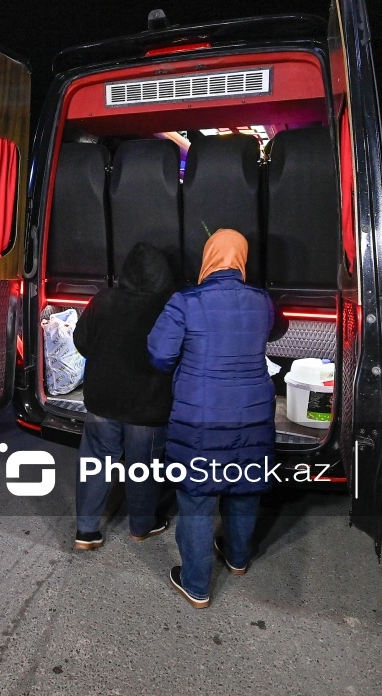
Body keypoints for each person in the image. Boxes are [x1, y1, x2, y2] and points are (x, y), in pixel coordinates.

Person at [147, 229, 275, 608]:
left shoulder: (186, 301)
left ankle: (197, 585)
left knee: (199, 497)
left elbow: (158, 354)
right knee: (244, 486)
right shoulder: (262, 301)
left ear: (208, 257)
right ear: (241, 258)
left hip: (201, 415)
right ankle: (237, 558)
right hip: (252, 413)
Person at [71, 242, 176, 550]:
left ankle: (86, 531)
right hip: (149, 407)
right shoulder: (170, 307)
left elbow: (81, 342)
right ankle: (141, 526)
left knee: (96, 461)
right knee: (142, 466)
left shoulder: (103, 300)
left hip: (102, 401)